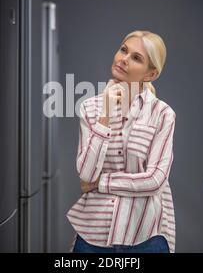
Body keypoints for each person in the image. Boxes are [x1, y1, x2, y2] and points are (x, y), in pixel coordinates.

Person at [67, 30, 176, 253]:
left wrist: (101, 183)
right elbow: (86, 174)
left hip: (145, 236)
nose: (124, 59)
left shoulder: (162, 114)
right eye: (124, 50)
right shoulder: (90, 108)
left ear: (151, 74)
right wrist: (105, 115)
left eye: (136, 58)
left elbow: (155, 180)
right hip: (93, 236)